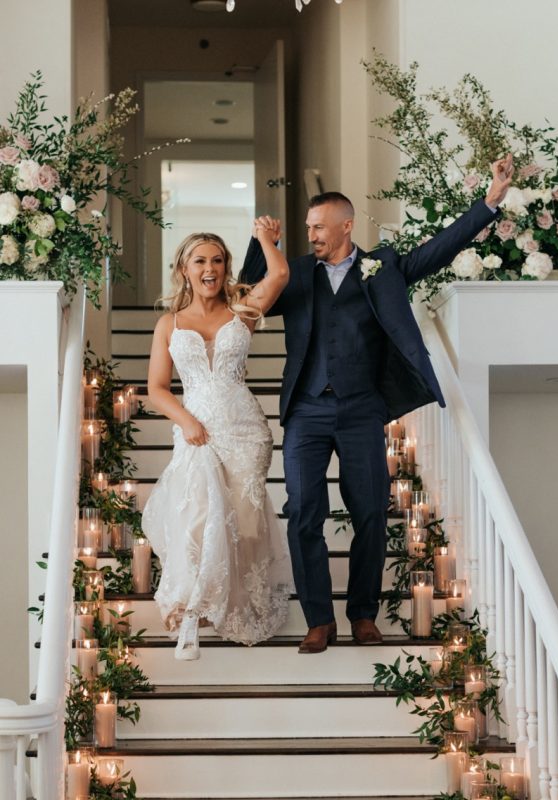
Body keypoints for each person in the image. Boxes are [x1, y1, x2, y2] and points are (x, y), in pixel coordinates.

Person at [239, 155, 514, 654]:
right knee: (303, 512)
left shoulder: (382, 268)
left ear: (346, 226)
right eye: (308, 227)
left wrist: (490, 202)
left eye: (319, 227)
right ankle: (319, 620)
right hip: (305, 410)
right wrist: (263, 245)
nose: (311, 235)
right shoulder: (294, 273)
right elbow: (248, 294)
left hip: (362, 409)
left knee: (369, 511)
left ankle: (363, 614)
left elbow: (439, 250)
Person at [142, 220, 293, 660]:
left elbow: (280, 275)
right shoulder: (169, 324)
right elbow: (156, 388)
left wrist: (265, 239)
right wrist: (186, 420)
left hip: (245, 431)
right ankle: (191, 613)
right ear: (184, 269)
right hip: (196, 430)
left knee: (243, 523)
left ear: (226, 267)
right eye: (200, 261)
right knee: (198, 516)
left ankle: (232, 603)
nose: (209, 268)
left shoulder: (242, 310)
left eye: (218, 260)